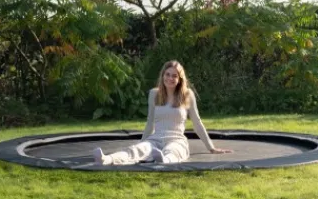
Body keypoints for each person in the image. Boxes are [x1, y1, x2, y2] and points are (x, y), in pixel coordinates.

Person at [92, 60, 232, 165]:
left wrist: (211, 148)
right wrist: (142, 142)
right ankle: (107, 159)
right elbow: (150, 122)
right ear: (163, 75)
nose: (170, 78)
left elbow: (197, 123)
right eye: (167, 74)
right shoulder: (154, 94)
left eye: (174, 76)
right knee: (136, 150)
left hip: (177, 139)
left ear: (180, 79)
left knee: (173, 151)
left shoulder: (187, 94)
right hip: (156, 139)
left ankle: (164, 161)